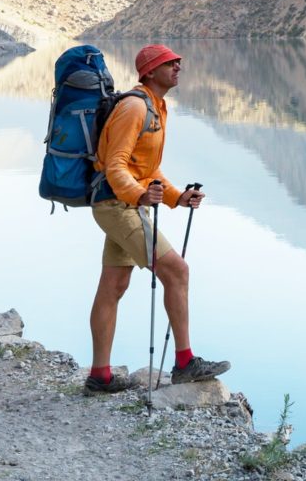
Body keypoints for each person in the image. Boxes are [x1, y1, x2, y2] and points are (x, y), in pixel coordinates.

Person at [83, 43, 230, 394]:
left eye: (178, 62)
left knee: (114, 285)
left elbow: (146, 169)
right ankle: (185, 363)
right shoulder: (134, 107)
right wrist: (138, 195)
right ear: (149, 72)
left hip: (124, 205)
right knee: (177, 271)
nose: (178, 66)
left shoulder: (156, 107)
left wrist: (178, 197)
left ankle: (100, 376)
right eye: (169, 63)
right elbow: (116, 166)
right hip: (118, 206)